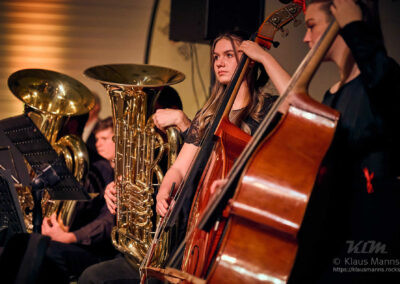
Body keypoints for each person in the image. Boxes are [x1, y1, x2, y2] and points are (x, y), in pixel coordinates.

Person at [284, 1, 400, 283]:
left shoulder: (382, 80)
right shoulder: (332, 96)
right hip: (331, 240)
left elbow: (383, 84)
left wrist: (354, 25)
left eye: (312, 26)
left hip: (370, 245)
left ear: (341, 20)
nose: (305, 37)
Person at [39, 117, 117, 283]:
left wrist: (70, 237)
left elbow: (109, 222)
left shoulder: (104, 169)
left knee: (45, 252)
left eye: (104, 139)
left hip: (98, 250)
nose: (98, 144)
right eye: (96, 139)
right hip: (70, 241)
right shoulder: (90, 167)